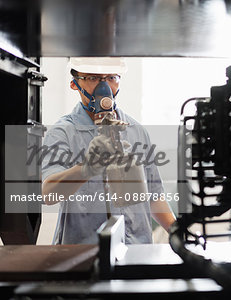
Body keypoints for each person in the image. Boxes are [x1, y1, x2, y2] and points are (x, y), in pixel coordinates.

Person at [41, 57, 176, 244]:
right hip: (84, 253)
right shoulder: (62, 133)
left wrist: (176, 231)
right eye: (93, 78)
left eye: (112, 77)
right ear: (74, 84)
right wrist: (86, 169)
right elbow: (48, 193)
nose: (103, 87)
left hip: (136, 249)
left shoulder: (136, 130)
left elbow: (153, 196)